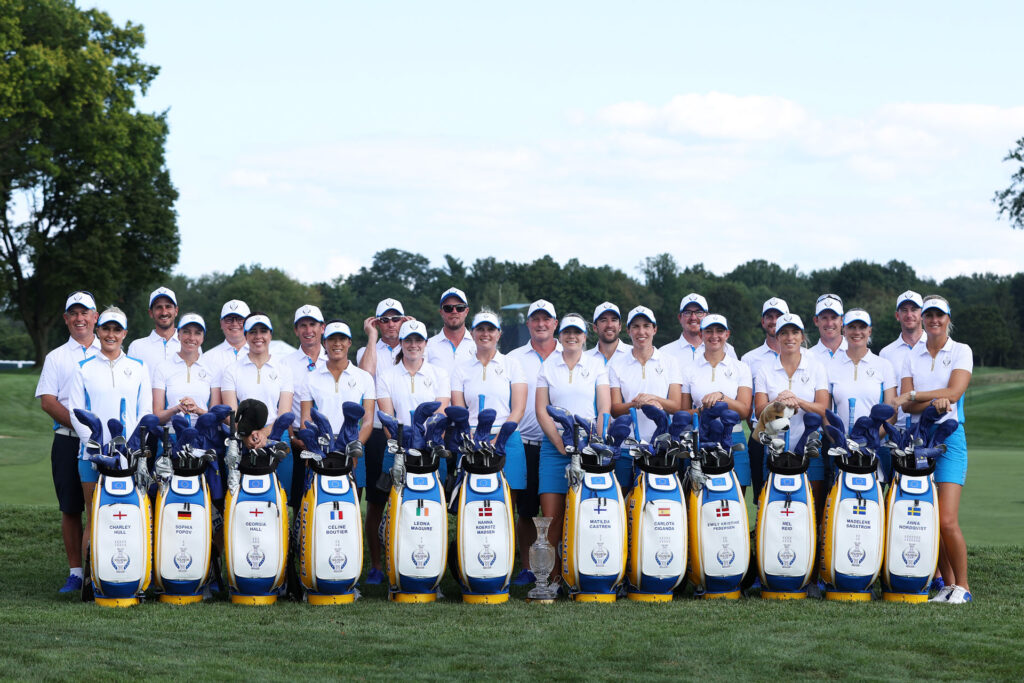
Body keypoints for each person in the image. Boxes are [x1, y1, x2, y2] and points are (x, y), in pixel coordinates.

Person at [895, 295, 973, 604]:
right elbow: (907, 403)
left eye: (939, 315)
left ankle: (964, 587)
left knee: (946, 519)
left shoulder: (961, 351)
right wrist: (922, 399)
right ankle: (948, 584)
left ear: (947, 318)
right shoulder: (911, 356)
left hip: (950, 437)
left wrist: (915, 394)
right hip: (919, 438)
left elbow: (954, 392)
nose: (933, 320)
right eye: (928, 315)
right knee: (930, 515)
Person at [68, 307, 153, 564]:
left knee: (130, 516)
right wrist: (96, 448)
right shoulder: (83, 368)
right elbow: (76, 413)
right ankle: (91, 580)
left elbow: (145, 412)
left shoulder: (138, 367)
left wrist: (130, 448)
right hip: (91, 455)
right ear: (98, 330)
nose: (111, 334)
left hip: (129, 457)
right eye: (106, 329)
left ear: (125, 333)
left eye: (117, 329)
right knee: (95, 515)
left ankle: (129, 573)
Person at [35, 291, 101, 592]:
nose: (79, 318)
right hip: (68, 440)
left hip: (105, 444)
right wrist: (81, 425)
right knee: (72, 507)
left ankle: (100, 568)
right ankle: (76, 572)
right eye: (73, 313)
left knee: (102, 506)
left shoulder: (110, 351)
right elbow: (48, 401)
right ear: (66, 319)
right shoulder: (56, 357)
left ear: (95, 317)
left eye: (84, 312)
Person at [535, 313, 610, 578]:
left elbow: (603, 408)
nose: (572, 336)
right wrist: (559, 443)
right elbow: (541, 410)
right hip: (554, 448)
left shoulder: (596, 365)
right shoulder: (548, 366)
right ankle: (551, 579)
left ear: (584, 336)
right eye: (567, 332)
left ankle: (584, 572)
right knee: (552, 518)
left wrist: (596, 441)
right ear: (560, 335)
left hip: (588, 446)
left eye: (577, 332)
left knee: (589, 514)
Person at [375, 320, 451, 581]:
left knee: (431, 512)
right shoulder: (387, 375)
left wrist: (424, 441)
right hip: (397, 450)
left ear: (425, 344)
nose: (413, 345)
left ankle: (432, 571)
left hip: (430, 451)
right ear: (402, 344)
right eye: (408, 340)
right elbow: (387, 417)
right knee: (397, 511)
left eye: (418, 340)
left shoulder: (438, 374)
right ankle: (396, 569)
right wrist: (404, 445)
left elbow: (441, 414)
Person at [355, 298, 412, 585]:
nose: (391, 324)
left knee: (408, 500)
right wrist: (372, 337)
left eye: (396, 319)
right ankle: (376, 565)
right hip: (377, 431)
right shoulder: (368, 349)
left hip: (409, 433)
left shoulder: (414, 344)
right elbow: (366, 376)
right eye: (384, 320)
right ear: (377, 322)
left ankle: (405, 559)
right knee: (376, 501)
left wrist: (411, 330)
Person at [506, 299, 562, 585]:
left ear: (555, 323)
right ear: (528, 323)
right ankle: (528, 567)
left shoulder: (570, 352)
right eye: (535, 319)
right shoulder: (514, 358)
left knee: (558, 510)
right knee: (526, 510)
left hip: (560, 446)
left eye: (546, 319)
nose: (541, 324)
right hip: (527, 442)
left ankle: (558, 566)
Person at [753, 313, 829, 516]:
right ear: (777, 337)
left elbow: (823, 409)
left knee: (812, 508)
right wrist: (779, 402)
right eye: (784, 333)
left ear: (802, 336)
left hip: (811, 446)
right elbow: (759, 411)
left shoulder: (816, 367)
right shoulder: (765, 369)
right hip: (773, 447)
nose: (790, 338)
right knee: (774, 507)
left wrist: (799, 401)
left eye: (795, 332)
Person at [451, 310, 527, 500]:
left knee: (508, 503)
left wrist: (497, 440)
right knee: (474, 499)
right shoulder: (461, 368)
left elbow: (518, 409)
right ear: (473, 333)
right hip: (472, 440)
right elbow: (460, 411)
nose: (486, 334)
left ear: (499, 334)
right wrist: (472, 439)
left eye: (491, 329)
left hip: (507, 439)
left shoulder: (512, 365)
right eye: (481, 329)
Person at [218, 312, 295, 496]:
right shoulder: (232, 370)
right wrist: (247, 435)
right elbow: (231, 413)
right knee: (241, 497)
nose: (258, 336)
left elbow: (284, 413)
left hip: (276, 437)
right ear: (246, 336)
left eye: (263, 331)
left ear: (270, 335)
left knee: (278, 496)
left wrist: (263, 433)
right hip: (241, 440)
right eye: (252, 332)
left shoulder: (283, 369)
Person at [609, 306, 683, 491]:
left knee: (656, 502)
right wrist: (636, 404)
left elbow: (675, 405)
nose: (641, 332)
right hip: (627, 445)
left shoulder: (670, 362)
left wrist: (652, 399)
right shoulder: (616, 364)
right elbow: (615, 409)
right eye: (635, 326)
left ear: (654, 329)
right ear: (628, 331)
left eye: (646, 326)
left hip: (661, 446)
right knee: (624, 499)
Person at [296, 320, 375, 491]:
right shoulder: (310, 378)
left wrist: (355, 446)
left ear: (349, 343)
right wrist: (314, 446)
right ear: (325, 343)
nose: (337, 344)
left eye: (342, 339)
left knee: (350, 505)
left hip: (352, 445)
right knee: (318, 502)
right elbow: (305, 420)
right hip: (321, 448)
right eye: (332, 339)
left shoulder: (364, 378)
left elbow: (368, 421)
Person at [680, 314, 753, 490]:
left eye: (719, 331)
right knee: (698, 500)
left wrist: (722, 398)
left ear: (727, 334)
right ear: (701, 335)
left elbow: (744, 411)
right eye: (709, 331)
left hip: (733, 436)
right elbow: (682, 414)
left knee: (736, 497)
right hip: (700, 439)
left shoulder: (741, 368)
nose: (714, 336)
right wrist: (704, 411)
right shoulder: (689, 370)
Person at [825, 308, 897, 481]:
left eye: (862, 327)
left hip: (874, 448)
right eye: (852, 327)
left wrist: (869, 440)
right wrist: (839, 440)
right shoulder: (830, 366)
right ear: (844, 330)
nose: (857, 332)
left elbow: (891, 412)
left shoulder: (883, 365)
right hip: (840, 449)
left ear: (869, 330)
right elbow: (825, 412)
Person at [740, 297, 790, 496]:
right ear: (763, 322)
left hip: (795, 435)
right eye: (769, 316)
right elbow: (747, 400)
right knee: (762, 495)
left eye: (779, 316)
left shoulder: (806, 356)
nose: (774, 320)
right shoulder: (750, 358)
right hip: (761, 435)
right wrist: (756, 427)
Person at [283, 304, 327, 499]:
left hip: (329, 438)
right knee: (297, 495)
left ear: (322, 327)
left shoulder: (334, 359)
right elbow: (282, 404)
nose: (308, 331)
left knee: (325, 494)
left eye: (313, 325)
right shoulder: (285, 363)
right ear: (296, 330)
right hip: (297, 437)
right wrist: (293, 438)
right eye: (303, 325)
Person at [152, 313, 216, 427]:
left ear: (203, 337)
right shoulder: (162, 367)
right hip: (171, 437)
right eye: (186, 332)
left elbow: (215, 417)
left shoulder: (212, 368)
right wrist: (176, 409)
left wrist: (198, 410)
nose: (191, 338)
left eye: (197, 333)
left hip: (203, 437)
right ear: (178, 335)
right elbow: (157, 416)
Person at [879, 290, 926, 427]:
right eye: (904, 310)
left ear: (922, 314)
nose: (909, 315)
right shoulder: (886, 353)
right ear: (897, 315)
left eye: (914, 309)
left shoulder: (935, 346)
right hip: (896, 429)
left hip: (929, 426)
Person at [660, 293, 737, 373]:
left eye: (699, 312)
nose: (693, 317)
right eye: (687, 312)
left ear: (707, 316)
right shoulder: (664, 352)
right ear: (680, 318)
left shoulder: (727, 350)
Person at [127, 286, 181, 382]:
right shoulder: (136, 347)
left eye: (168, 306)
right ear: (151, 313)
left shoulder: (190, 345)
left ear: (176, 311)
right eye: (159, 307)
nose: (164, 312)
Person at [426, 287, 476, 374]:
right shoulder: (428, 346)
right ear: (441, 312)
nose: (454, 311)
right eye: (448, 308)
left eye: (460, 308)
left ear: (466, 311)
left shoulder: (478, 345)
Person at [203, 299, 250, 389]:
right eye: (229, 320)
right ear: (221, 323)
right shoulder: (208, 357)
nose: (234, 324)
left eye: (240, 319)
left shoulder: (261, 356)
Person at [809, 294, 848, 363]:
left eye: (834, 318)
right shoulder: (807, 357)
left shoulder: (856, 352)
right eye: (824, 318)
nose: (829, 323)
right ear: (816, 321)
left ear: (842, 320)